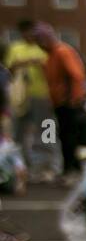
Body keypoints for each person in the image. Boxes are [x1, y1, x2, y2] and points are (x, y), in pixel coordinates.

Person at [32, 23, 86, 181]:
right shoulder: (51, 56)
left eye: (39, 41)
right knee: (63, 136)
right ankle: (70, 168)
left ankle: (71, 170)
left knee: (69, 137)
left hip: (68, 104)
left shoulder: (62, 52)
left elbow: (76, 76)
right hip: (60, 103)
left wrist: (72, 99)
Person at [5, 20, 59, 182]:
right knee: (18, 132)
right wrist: (22, 63)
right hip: (20, 96)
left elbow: (51, 67)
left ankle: (49, 165)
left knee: (46, 129)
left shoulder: (42, 48)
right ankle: (23, 166)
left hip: (42, 95)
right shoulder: (15, 48)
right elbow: (9, 69)